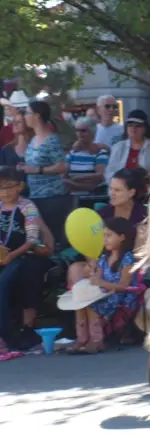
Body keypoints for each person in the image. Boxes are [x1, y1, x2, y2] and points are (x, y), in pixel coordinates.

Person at [63, 216, 140, 354]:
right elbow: (97, 280)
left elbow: (124, 286)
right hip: (105, 294)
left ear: (122, 237)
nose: (105, 240)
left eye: (109, 236)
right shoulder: (104, 258)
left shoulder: (128, 258)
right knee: (81, 302)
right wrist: (91, 276)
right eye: (104, 236)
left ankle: (96, 340)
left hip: (121, 297)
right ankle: (83, 337)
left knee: (93, 304)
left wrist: (101, 283)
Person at [0, 166, 46, 354]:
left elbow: (32, 239)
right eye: (0, 187)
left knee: (2, 284)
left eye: (9, 187)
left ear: (20, 186)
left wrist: (11, 255)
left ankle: (6, 335)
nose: (4, 192)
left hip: (20, 255)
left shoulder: (27, 206)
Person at [21, 101, 71, 247]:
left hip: (52, 197)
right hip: (35, 196)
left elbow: (62, 166)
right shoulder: (33, 139)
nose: (25, 116)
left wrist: (38, 170)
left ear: (37, 115)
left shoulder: (51, 139)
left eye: (27, 113)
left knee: (51, 239)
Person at [104, 110, 150, 184]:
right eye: (130, 125)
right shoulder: (118, 147)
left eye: (138, 126)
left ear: (145, 128)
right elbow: (109, 172)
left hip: (148, 191)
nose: (133, 129)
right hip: (122, 193)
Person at [64, 117, 110, 193]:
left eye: (83, 131)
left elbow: (101, 176)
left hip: (93, 197)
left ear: (92, 132)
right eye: (77, 130)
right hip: (73, 197)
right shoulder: (72, 153)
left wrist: (76, 180)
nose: (79, 133)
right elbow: (64, 176)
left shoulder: (100, 152)